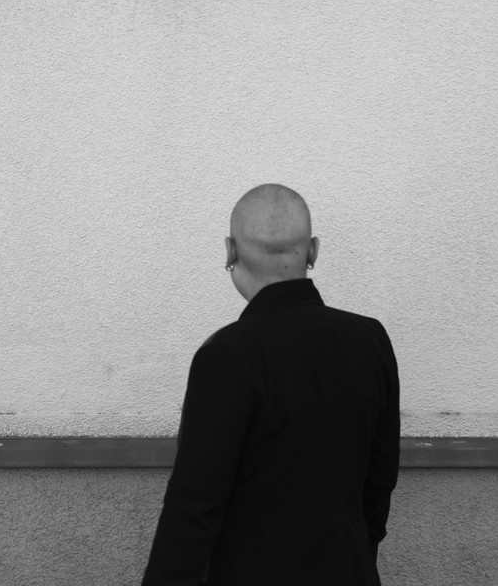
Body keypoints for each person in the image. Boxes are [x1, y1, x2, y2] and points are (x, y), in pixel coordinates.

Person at [141, 184, 400, 586]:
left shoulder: (227, 355)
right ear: (313, 251)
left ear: (230, 251)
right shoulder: (370, 339)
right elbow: (379, 482)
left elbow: (193, 506)